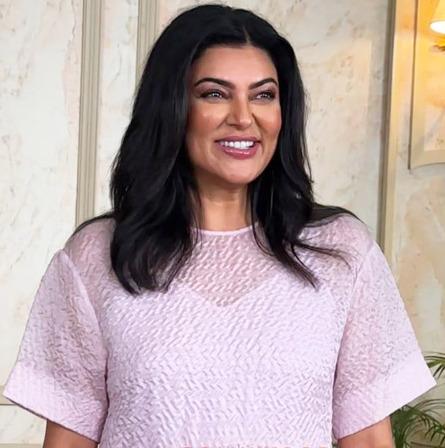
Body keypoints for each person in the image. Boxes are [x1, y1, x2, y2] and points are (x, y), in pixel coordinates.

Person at [3, 4, 436, 448]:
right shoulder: (99, 255)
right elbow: (69, 442)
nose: (244, 117)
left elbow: (369, 439)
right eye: (214, 94)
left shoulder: (341, 251)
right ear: (172, 108)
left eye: (263, 95)